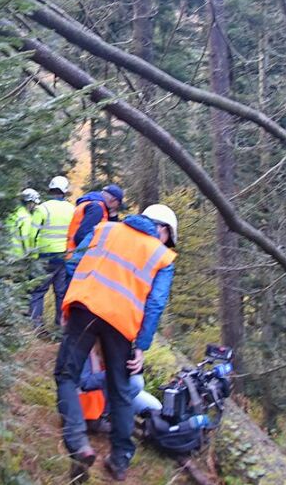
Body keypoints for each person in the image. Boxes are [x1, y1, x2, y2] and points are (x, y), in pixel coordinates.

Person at [55, 203, 178, 481]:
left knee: (66, 375)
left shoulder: (104, 229)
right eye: (168, 236)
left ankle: (78, 444)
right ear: (162, 229)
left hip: (84, 309)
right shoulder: (163, 257)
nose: (166, 242)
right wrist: (141, 346)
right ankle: (120, 460)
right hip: (122, 326)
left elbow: (73, 261)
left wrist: (71, 304)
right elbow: (155, 304)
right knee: (121, 390)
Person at [79, 343, 162, 434]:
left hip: (118, 391)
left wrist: (135, 366)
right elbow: (85, 383)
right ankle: (102, 417)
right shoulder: (87, 347)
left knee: (155, 406)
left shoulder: (119, 344)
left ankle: (122, 416)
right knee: (135, 383)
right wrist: (112, 373)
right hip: (95, 395)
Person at [28, 175, 75, 329]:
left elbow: (31, 234)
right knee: (61, 292)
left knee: (39, 291)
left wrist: (32, 255)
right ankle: (60, 325)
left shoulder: (42, 208)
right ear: (65, 191)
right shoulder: (71, 209)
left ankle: (36, 325)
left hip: (43, 256)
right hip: (62, 256)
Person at [66, 184, 126, 254]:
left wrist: (113, 216)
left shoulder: (92, 203)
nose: (117, 207)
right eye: (118, 204)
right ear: (113, 200)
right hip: (78, 256)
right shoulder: (97, 208)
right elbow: (82, 236)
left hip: (72, 251)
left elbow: (109, 229)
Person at [6, 188, 40, 257]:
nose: (35, 205)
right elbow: (25, 236)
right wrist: (28, 252)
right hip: (17, 252)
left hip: (7, 248)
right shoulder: (26, 217)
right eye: (34, 203)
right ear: (30, 202)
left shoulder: (15, 212)